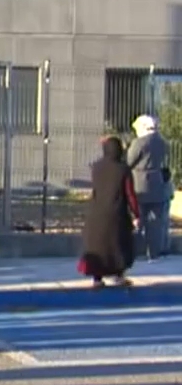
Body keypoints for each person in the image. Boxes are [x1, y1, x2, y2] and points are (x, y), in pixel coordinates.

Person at [78, 137, 140, 288]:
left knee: (98, 246)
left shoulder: (96, 167)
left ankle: (97, 279)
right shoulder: (123, 169)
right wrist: (136, 213)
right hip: (116, 213)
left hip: (96, 212)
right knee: (118, 245)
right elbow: (130, 194)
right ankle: (119, 275)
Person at [126, 114, 169, 261]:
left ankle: (135, 251)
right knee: (155, 222)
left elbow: (129, 161)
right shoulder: (162, 142)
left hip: (140, 182)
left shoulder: (139, 143)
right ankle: (154, 253)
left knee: (138, 218)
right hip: (157, 183)